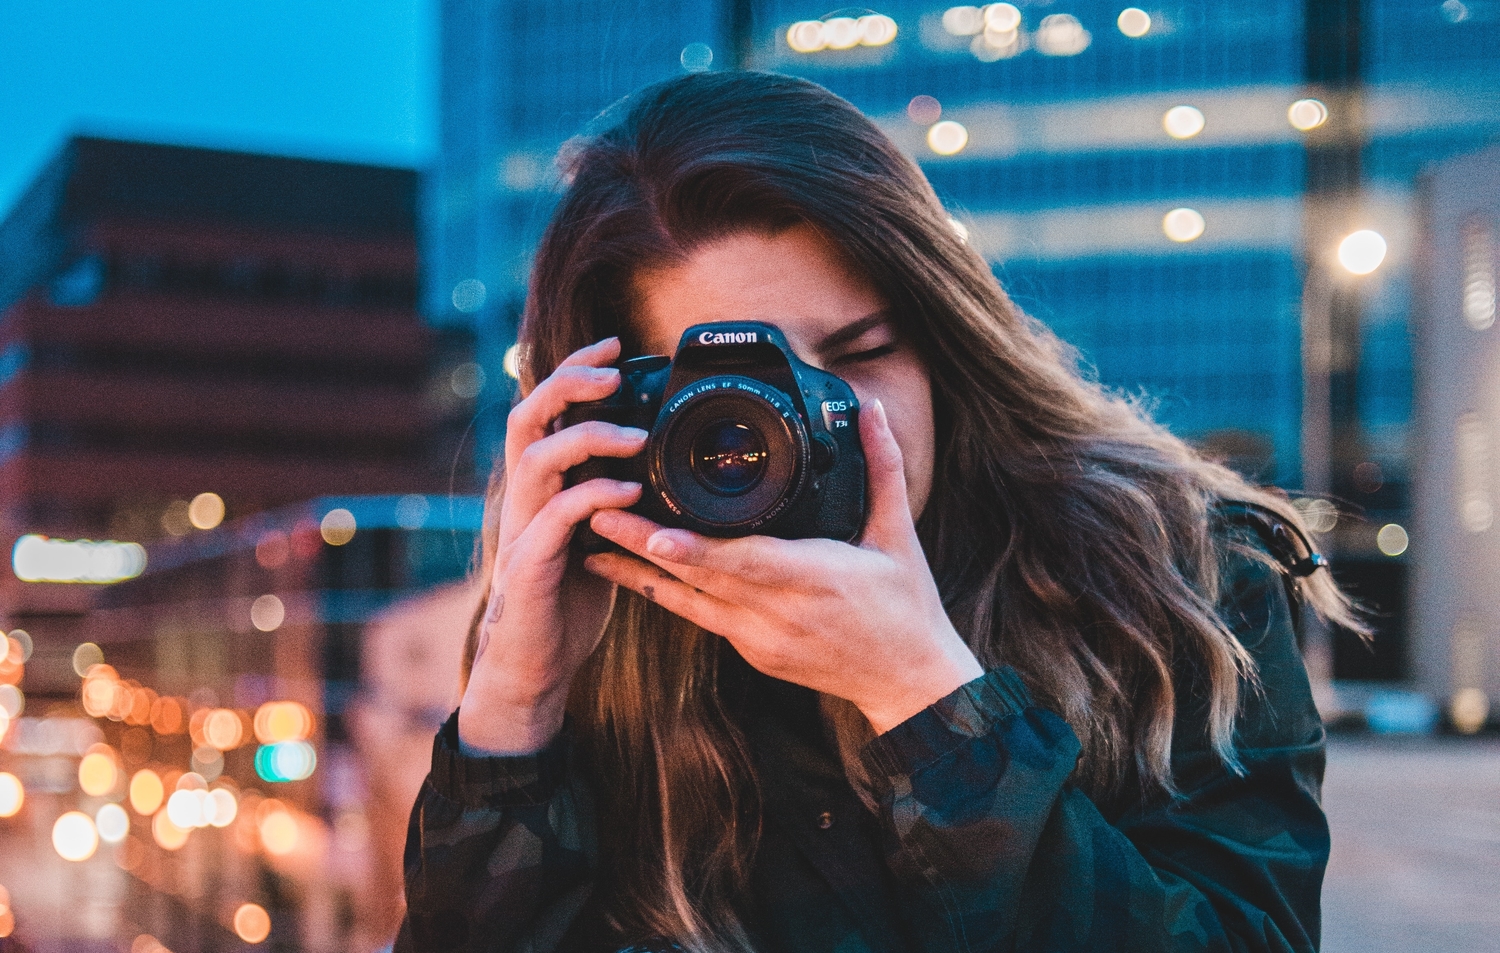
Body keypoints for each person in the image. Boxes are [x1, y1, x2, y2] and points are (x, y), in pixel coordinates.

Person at [397, 72, 1358, 953]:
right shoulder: (603, 637)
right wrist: (514, 709)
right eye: (734, 399)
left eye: (858, 357)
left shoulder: (1179, 577)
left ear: (942, 340)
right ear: (622, 415)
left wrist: (931, 701)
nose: (820, 425)